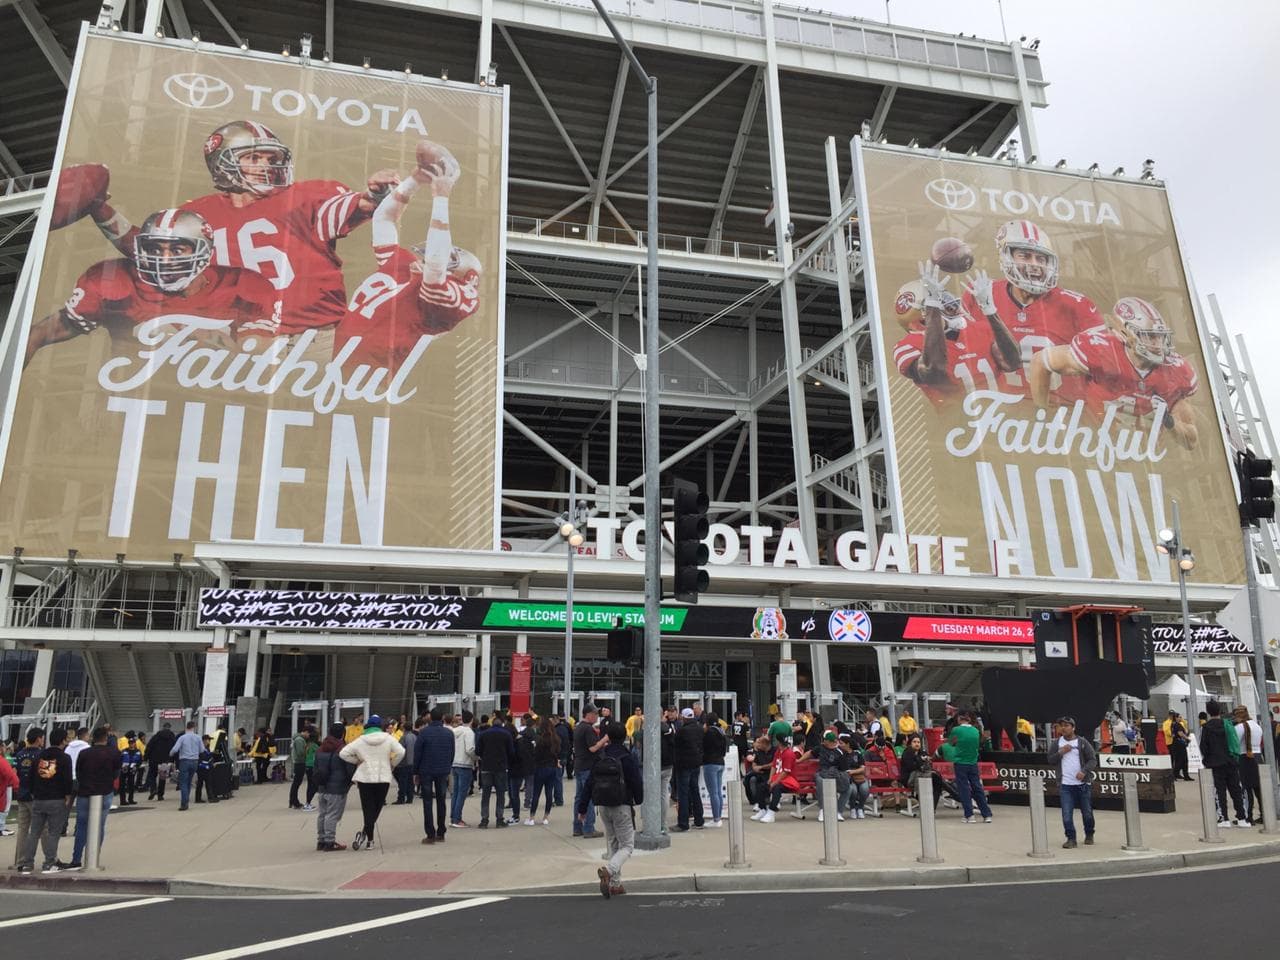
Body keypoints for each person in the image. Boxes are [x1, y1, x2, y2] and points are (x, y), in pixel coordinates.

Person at [1030, 297, 1198, 449]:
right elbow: (1041, 361)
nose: (1158, 343)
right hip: (1090, 445)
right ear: (1124, 334)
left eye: (1160, 336)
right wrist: (1042, 415)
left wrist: (1168, 421)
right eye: (1150, 336)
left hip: (1142, 459)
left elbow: (1191, 441)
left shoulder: (1174, 373)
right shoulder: (1103, 352)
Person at [579, 721, 643, 898]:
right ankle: (609, 870)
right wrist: (638, 799)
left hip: (603, 806)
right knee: (628, 845)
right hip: (622, 805)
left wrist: (582, 808)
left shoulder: (601, 757)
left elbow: (589, 783)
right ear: (624, 737)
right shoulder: (627, 757)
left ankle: (615, 884)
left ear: (608, 737)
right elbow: (636, 781)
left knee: (613, 843)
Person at [339, 715, 405, 850]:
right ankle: (366, 835)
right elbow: (401, 751)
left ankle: (369, 838)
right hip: (383, 775)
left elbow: (343, 753)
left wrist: (357, 761)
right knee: (377, 807)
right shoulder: (388, 738)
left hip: (365, 777)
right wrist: (392, 764)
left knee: (367, 808)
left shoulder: (361, 740)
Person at [18, 727, 73, 873]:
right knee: (53, 833)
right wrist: (68, 795)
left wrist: (33, 792)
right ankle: (49, 863)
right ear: (63, 740)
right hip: (56, 799)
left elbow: (30, 778)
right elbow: (67, 779)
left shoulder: (39, 756)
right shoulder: (64, 757)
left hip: (39, 799)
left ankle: (27, 863)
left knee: (34, 832)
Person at [69, 726, 121, 868]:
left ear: (93, 738)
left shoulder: (84, 753)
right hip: (105, 791)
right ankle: (93, 857)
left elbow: (79, 772)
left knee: (81, 826)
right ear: (106, 738)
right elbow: (116, 773)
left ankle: (76, 858)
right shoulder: (114, 753)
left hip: (85, 791)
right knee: (99, 825)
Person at [1045, 716, 1097, 848]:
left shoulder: (1082, 742)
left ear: (1073, 728)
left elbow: (1092, 759)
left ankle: (1089, 833)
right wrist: (1061, 752)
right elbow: (1050, 760)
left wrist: (1084, 771)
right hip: (1065, 785)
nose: (1063, 728)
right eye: (1061, 725)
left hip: (1083, 784)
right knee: (1067, 814)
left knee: (1087, 814)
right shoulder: (1057, 743)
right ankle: (1071, 838)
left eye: (1067, 725)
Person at [1199, 700, 1248, 828]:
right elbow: (1235, 740)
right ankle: (1242, 817)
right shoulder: (1228, 725)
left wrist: (1206, 760)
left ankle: (1224, 818)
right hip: (1231, 761)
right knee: (1236, 790)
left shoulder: (1206, 727)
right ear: (1220, 710)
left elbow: (1203, 747)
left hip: (1215, 763)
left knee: (1219, 791)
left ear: (1208, 712)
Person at [414, 706, 454, 844]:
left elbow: (417, 753)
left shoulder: (424, 733)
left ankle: (430, 834)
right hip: (442, 770)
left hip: (426, 770)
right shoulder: (449, 733)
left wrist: (416, 771)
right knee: (441, 801)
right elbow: (451, 752)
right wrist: (447, 766)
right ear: (442, 718)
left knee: (427, 802)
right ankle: (441, 832)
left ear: (430, 718)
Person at [313, 724, 355, 851]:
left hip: (322, 786)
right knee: (332, 815)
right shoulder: (343, 750)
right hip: (337, 787)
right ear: (343, 734)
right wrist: (351, 781)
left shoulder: (320, 748)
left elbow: (315, 767)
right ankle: (329, 841)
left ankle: (321, 840)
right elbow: (350, 769)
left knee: (322, 814)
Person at [947, 712, 992, 824]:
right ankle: (986, 814)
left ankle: (969, 815)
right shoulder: (976, 731)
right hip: (973, 762)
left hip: (960, 762)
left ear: (959, 719)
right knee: (977, 788)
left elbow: (951, 743)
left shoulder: (956, 730)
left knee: (964, 789)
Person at [10, 727, 45, 869]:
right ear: (38, 739)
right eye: (42, 738)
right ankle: (50, 858)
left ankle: (20, 860)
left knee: (23, 829)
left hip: (21, 795)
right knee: (44, 829)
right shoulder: (41, 755)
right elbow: (44, 775)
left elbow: (14, 773)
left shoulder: (19, 754)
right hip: (35, 796)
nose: (43, 740)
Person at [475, 711, 515, 829]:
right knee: (500, 794)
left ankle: (484, 819)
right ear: (501, 724)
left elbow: (477, 751)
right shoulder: (506, 734)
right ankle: (499, 819)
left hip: (486, 767)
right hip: (501, 767)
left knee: (486, 795)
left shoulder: (484, 734)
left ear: (492, 723)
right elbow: (511, 752)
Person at [899, 732, 958, 812]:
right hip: (910, 779)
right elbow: (911, 767)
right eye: (914, 742)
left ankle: (932, 809)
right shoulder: (907, 753)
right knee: (937, 779)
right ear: (910, 743)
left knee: (937, 783)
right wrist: (921, 761)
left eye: (918, 742)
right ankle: (956, 794)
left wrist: (924, 761)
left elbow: (928, 765)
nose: (917, 744)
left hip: (923, 777)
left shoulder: (922, 753)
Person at [572, 705, 608, 838]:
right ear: (588, 714)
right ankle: (589, 828)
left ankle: (577, 826)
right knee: (589, 798)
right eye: (595, 714)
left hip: (579, 765)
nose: (597, 716)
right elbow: (592, 748)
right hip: (588, 766)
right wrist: (604, 740)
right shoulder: (588, 729)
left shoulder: (578, 727)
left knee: (579, 798)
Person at [672, 707, 705, 832]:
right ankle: (699, 820)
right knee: (695, 790)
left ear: (684, 717)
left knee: (683, 793)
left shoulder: (681, 731)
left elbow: (675, 745)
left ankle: (683, 823)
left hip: (683, 764)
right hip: (696, 763)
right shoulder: (699, 729)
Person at [756, 735, 800, 823]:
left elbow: (786, 772)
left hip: (789, 780)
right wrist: (770, 779)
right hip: (778, 778)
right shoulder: (778, 751)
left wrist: (774, 782)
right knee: (761, 786)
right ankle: (762, 809)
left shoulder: (789, 754)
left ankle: (771, 812)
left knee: (776, 788)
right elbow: (774, 766)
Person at [1233, 705, 1265, 824]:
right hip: (1258, 757)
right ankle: (1264, 814)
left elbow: (1233, 742)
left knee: (1246, 789)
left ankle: (1248, 816)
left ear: (1238, 715)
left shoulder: (1240, 727)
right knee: (1258, 789)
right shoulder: (1257, 726)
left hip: (1244, 757)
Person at [528, 716, 561, 825]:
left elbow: (535, 755)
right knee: (549, 793)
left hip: (541, 767)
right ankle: (546, 817)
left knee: (536, 793)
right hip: (552, 768)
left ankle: (532, 817)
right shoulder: (556, 739)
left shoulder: (540, 740)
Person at [450, 711, 477, 827]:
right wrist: (477, 758)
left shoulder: (454, 731)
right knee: (462, 793)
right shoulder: (469, 732)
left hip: (454, 763)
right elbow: (470, 749)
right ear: (471, 720)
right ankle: (457, 819)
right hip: (465, 764)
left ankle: (453, 817)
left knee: (455, 793)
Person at [170, 721, 203, 811]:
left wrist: (170, 754)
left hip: (184, 761)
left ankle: (184, 803)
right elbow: (202, 750)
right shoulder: (198, 737)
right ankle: (186, 801)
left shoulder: (182, 738)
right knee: (188, 782)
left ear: (186, 727)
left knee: (183, 783)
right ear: (194, 727)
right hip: (195, 761)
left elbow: (175, 749)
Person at [702, 713, 727, 828]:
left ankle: (716, 819)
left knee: (713, 792)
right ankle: (719, 817)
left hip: (710, 763)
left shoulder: (709, 733)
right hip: (720, 762)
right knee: (718, 792)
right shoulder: (721, 731)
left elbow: (703, 747)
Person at [743, 735, 774, 816]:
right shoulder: (758, 751)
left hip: (770, 772)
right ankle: (755, 801)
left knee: (761, 781)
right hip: (759, 772)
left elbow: (773, 764)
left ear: (765, 744)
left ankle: (764, 800)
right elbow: (754, 763)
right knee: (750, 778)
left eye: (760, 743)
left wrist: (762, 767)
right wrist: (755, 767)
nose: (758, 745)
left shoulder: (774, 751)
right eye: (758, 743)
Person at [395, 718, 418, 805]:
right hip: (412, 762)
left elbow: (399, 750)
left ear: (404, 728)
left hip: (403, 763)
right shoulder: (414, 737)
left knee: (402, 782)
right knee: (410, 781)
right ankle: (410, 798)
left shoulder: (403, 737)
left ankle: (401, 798)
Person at [288, 726, 311, 810]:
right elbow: (300, 752)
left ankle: (292, 800)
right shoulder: (300, 740)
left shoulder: (298, 739)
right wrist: (307, 750)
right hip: (299, 762)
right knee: (296, 783)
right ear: (305, 732)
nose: (308, 735)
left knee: (296, 783)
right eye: (308, 733)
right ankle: (294, 801)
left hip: (298, 762)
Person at [118, 734, 142, 806]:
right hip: (124, 769)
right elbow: (119, 759)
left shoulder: (138, 752)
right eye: (130, 743)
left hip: (132, 769)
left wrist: (137, 767)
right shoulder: (124, 751)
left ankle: (131, 799)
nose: (131, 744)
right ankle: (123, 800)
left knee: (131, 784)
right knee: (122, 785)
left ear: (135, 743)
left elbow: (140, 761)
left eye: (133, 743)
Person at [194, 735, 218, 804]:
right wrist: (209, 764)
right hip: (203, 768)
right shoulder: (202, 748)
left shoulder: (206, 748)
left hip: (203, 767)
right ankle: (210, 797)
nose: (209, 741)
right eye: (208, 740)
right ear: (204, 740)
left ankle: (198, 798)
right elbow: (204, 758)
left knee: (201, 783)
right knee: (207, 783)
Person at [1167, 712, 1191, 781]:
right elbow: (1180, 733)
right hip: (1180, 744)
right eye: (1179, 717)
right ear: (1176, 718)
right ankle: (1177, 774)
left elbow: (1173, 734)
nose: (1181, 718)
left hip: (1175, 743)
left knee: (1178, 760)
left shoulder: (1172, 724)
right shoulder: (1177, 725)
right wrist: (1187, 738)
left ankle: (1181, 774)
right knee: (1183, 760)